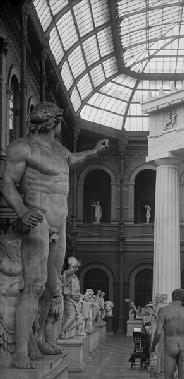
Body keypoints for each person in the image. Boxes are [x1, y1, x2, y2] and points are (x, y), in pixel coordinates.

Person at [0, 102, 109, 368]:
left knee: (52, 288)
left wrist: (94, 152)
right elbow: (7, 183)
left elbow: (74, 159)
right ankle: (20, 352)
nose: (61, 125)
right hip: (37, 219)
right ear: (53, 122)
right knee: (35, 285)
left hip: (59, 225)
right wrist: (23, 212)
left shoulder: (60, 151)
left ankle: (39, 339)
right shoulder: (23, 147)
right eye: (60, 121)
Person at [150, 288, 184, 379]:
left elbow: (158, 332)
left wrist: (153, 346)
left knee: (168, 377)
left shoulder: (163, 311)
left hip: (170, 345)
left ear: (173, 297)